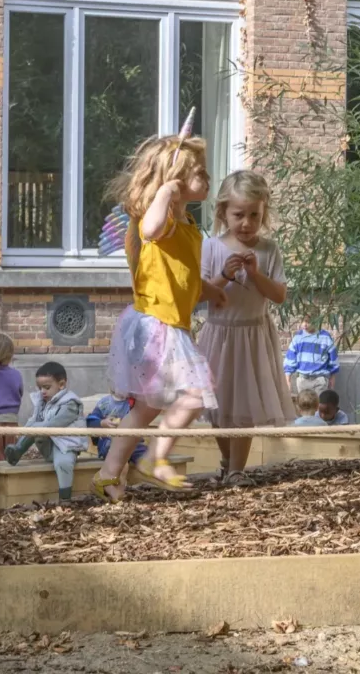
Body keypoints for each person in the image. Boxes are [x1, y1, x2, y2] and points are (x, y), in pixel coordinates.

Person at [91, 131, 228, 502]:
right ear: (177, 180)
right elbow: (149, 230)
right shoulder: (161, 220)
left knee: (147, 407)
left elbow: (181, 276)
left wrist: (213, 290)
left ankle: (107, 474)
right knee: (196, 396)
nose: (208, 178)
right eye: (200, 172)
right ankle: (155, 459)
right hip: (158, 324)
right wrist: (165, 192)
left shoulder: (185, 225)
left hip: (162, 320)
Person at [199, 170, 293, 484]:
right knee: (220, 404)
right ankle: (226, 462)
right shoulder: (212, 247)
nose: (246, 223)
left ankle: (238, 469)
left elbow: (279, 295)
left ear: (264, 212)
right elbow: (202, 295)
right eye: (239, 215)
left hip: (253, 334)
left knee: (244, 406)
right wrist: (224, 275)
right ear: (223, 212)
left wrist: (255, 275)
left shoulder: (268, 249)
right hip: (220, 334)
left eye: (254, 215)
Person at [4, 361, 88, 502]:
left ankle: (65, 498)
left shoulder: (71, 403)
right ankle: (17, 451)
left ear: (61, 385)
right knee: (35, 426)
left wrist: (34, 427)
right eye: (40, 387)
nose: (42, 391)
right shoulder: (42, 402)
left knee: (63, 464)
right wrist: (25, 431)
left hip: (66, 446)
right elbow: (33, 420)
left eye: (47, 387)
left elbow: (55, 423)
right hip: (48, 443)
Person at [86, 390, 148, 467]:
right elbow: (91, 423)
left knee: (144, 454)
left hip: (131, 441)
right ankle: (120, 473)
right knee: (114, 450)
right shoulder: (104, 403)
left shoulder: (134, 402)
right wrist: (103, 423)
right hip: (108, 442)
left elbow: (141, 421)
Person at [283, 319, 339, 395]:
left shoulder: (325, 337)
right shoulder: (298, 337)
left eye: (308, 322)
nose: (304, 324)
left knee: (319, 405)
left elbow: (333, 359)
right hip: (303, 379)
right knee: (305, 405)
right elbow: (290, 359)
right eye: (303, 321)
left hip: (320, 379)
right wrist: (288, 381)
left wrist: (332, 378)